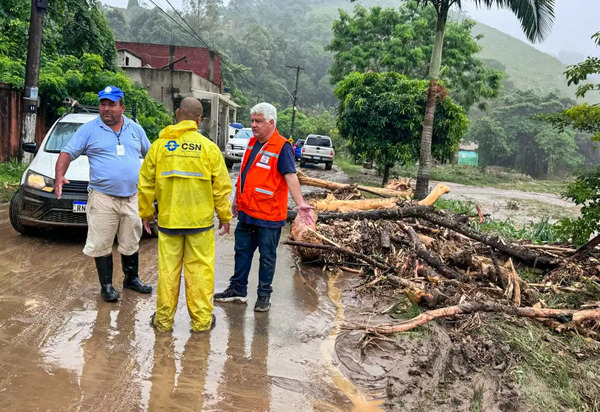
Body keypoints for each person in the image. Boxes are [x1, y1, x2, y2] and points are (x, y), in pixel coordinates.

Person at [138, 97, 232, 332]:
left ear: (177, 113)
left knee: (168, 273)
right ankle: (201, 323)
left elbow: (145, 183)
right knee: (200, 273)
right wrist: (224, 216)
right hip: (199, 224)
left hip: (169, 222)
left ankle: (163, 321)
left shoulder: (159, 146)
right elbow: (221, 186)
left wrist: (147, 214)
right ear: (199, 120)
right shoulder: (208, 148)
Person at [214, 102, 314, 312]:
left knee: (267, 257)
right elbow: (245, 174)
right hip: (248, 213)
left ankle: (264, 296)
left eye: (258, 121)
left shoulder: (282, 146)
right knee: (242, 252)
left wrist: (301, 204)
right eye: (252, 121)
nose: (254, 125)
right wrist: (236, 199)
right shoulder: (251, 143)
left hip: (269, 217)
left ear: (271, 122)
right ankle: (238, 290)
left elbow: (290, 176)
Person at [56, 86, 152, 302]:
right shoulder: (88, 130)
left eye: (111, 104)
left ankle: (131, 279)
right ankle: (107, 286)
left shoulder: (135, 129)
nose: (106, 109)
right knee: (102, 243)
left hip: (132, 197)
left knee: (131, 241)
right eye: (103, 104)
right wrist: (59, 175)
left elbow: (151, 155)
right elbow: (67, 153)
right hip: (102, 198)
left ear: (122, 107)